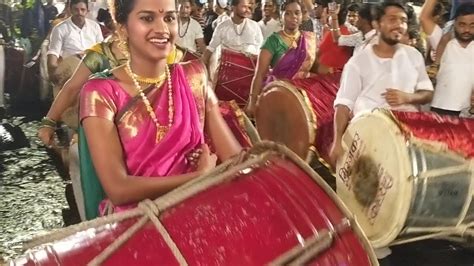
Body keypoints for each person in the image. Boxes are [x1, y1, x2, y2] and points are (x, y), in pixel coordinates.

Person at [80, 0, 241, 214]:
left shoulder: (194, 75)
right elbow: (118, 189)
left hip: (200, 209)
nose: (162, 29)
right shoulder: (101, 92)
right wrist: (197, 178)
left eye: (169, 18)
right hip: (138, 221)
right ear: (123, 28)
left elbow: (235, 160)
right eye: (147, 18)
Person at [329, 1, 434, 170]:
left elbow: (427, 93)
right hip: (369, 139)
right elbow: (343, 104)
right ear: (377, 24)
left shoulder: (413, 56)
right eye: (392, 19)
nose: (399, 25)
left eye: (403, 20)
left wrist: (408, 97)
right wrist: (337, 140)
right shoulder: (357, 63)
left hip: (409, 139)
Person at [246, 0, 317, 117]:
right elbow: (259, 74)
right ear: (281, 16)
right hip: (278, 96)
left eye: (297, 13)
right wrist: (252, 102)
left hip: (303, 98)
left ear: (302, 16)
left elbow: (313, 69)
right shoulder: (273, 41)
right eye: (288, 13)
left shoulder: (309, 40)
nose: (293, 17)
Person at [430, 3, 474, 116]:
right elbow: (424, 17)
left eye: (472, 25)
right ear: (454, 23)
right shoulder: (443, 41)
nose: (467, 30)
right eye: (462, 24)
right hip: (440, 108)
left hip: (468, 112)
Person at [47, 0, 103, 83]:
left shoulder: (95, 26)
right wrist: (53, 72)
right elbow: (53, 53)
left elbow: (102, 49)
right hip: (71, 71)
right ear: (70, 10)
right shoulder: (60, 29)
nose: (79, 12)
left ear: (87, 11)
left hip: (93, 70)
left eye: (82, 9)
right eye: (76, 9)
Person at [202, 0, 264, 64]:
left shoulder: (254, 26)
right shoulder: (222, 27)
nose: (247, 10)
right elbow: (211, 48)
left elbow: (261, 49)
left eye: (249, 7)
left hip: (249, 67)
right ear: (233, 7)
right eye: (244, 7)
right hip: (227, 68)